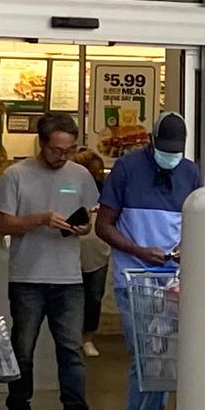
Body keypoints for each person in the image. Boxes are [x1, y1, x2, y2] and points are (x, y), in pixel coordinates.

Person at [96, 111, 202, 410]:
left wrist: (187, 247)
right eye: (164, 150)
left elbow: (197, 221)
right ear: (150, 143)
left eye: (176, 152)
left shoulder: (190, 173)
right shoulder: (126, 169)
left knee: (166, 362)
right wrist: (140, 251)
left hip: (173, 282)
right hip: (136, 280)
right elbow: (103, 225)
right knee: (146, 361)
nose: (170, 158)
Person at [0, 113, 102, 410]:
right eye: (56, 150)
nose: (62, 156)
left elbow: (88, 221)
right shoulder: (15, 176)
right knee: (23, 348)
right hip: (27, 277)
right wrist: (39, 219)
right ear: (42, 143)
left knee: (71, 349)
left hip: (69, 277)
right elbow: (4, 225)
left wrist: (81, 227)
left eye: (68, 150)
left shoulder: (80, 175)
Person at [73, 149, 111, 358]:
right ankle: (71, 337)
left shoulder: (106, 192)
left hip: (97, 249)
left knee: (94, 297)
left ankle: (87, 337)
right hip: (70, 248)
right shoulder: (68, 188)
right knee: (71, 298)